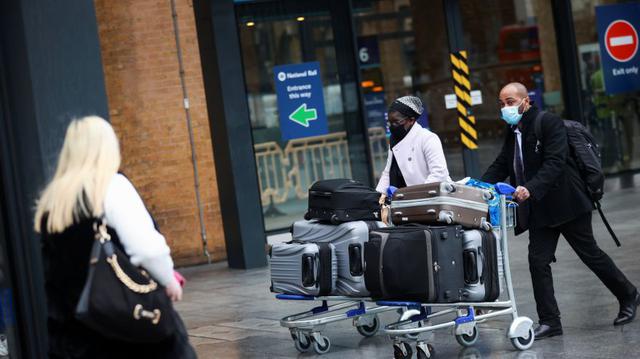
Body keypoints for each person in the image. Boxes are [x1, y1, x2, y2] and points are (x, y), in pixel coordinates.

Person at [481, 82, 639, 339]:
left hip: (568, 203)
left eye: (510, 102)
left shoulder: (548, 123)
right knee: (537, 261)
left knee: (590, 254)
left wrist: (529, 188)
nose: (505, 108)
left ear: (525, 101)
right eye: (501, 103)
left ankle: (629, 294)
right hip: (541, 210)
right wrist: (480, 186)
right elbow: (503, 163)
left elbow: (555, 163)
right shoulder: (513, 130)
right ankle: (550, 321)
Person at [34, 116, 195, 358]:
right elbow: (148, 250)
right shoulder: (111, 187)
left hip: (73, 332)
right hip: (120, 323)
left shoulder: (54, 201)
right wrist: (168, 279)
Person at [376, 95, 450, 194]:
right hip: (404, 199)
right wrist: (377, 196)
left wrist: (417, 196)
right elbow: (387, 173)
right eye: (389, 123)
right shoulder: (394, 140)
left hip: (432, 197)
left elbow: (439, 173)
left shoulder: (428, 138)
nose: (392, 127)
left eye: (396, 122)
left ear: (411, 120)